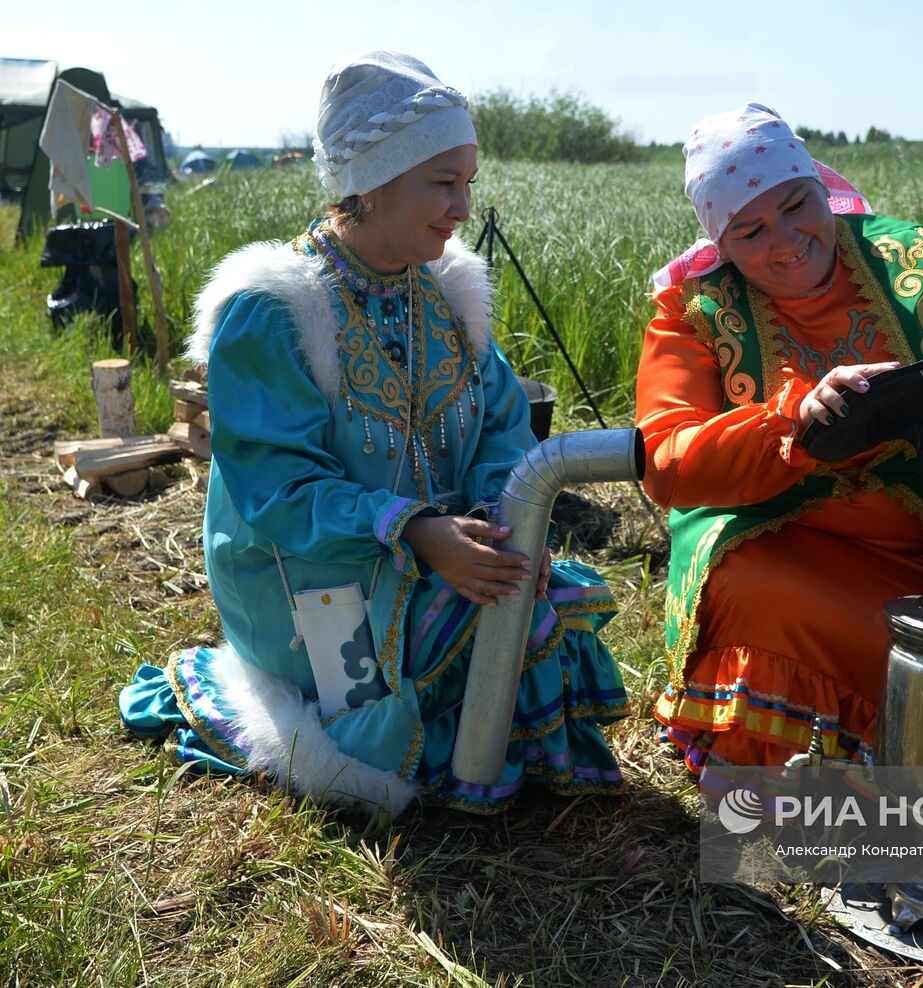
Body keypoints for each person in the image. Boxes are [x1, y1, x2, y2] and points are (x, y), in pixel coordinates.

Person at [117, 51, 628, 817]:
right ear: (372, 181)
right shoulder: (277, 311)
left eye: (468, 183)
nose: (462, 207)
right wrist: (416, 532)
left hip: (440, 544)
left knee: (531, 594)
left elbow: (500, 424)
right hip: (308, 572)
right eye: (442, 183)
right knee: (469, 623)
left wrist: (499, 514)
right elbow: (279, 491)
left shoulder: (449, 294)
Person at [637, 103, 923, 784]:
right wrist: (788, 418)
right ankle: (792, 775)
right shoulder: (694, 315)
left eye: (797, 206)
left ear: (823, 188)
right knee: (752, 589)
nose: (787, 241)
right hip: (786, 542)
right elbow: (667, 460)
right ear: (721, 242)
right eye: (751, 231)